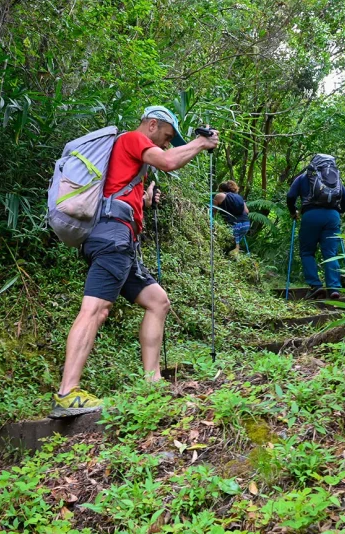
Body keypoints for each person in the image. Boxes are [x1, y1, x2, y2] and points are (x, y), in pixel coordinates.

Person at [50, 105, 219, 418]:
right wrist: (199, 143)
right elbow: (168, 162)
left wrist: (143, 200)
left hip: (122, 242)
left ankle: (152, 382)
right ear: (152, 125)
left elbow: (117, 193)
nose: (166, 144)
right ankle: (66, 393)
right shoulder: (132, 139)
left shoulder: (130, 156)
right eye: (167, 136)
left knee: (158, 302)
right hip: (113, 239)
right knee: (95, 310)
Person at [286, 154, 345, 299]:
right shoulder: (335, 179)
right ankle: (334, 288)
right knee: (330, 253)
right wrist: (335, 212)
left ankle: (316, 285)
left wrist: (293, 211)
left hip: (311, 215)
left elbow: (291, 196)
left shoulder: (304, 177)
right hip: (332, 217)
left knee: (307, 252)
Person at [213, 180, 250, 254]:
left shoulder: (219, 195)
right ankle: (237, 259)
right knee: (235, 243)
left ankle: (234, 260)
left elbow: (213, 211)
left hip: (233, 224)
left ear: (220, 189)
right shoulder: (239, 197)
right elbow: (247, 211)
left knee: (231, 247)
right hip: (246, 224)